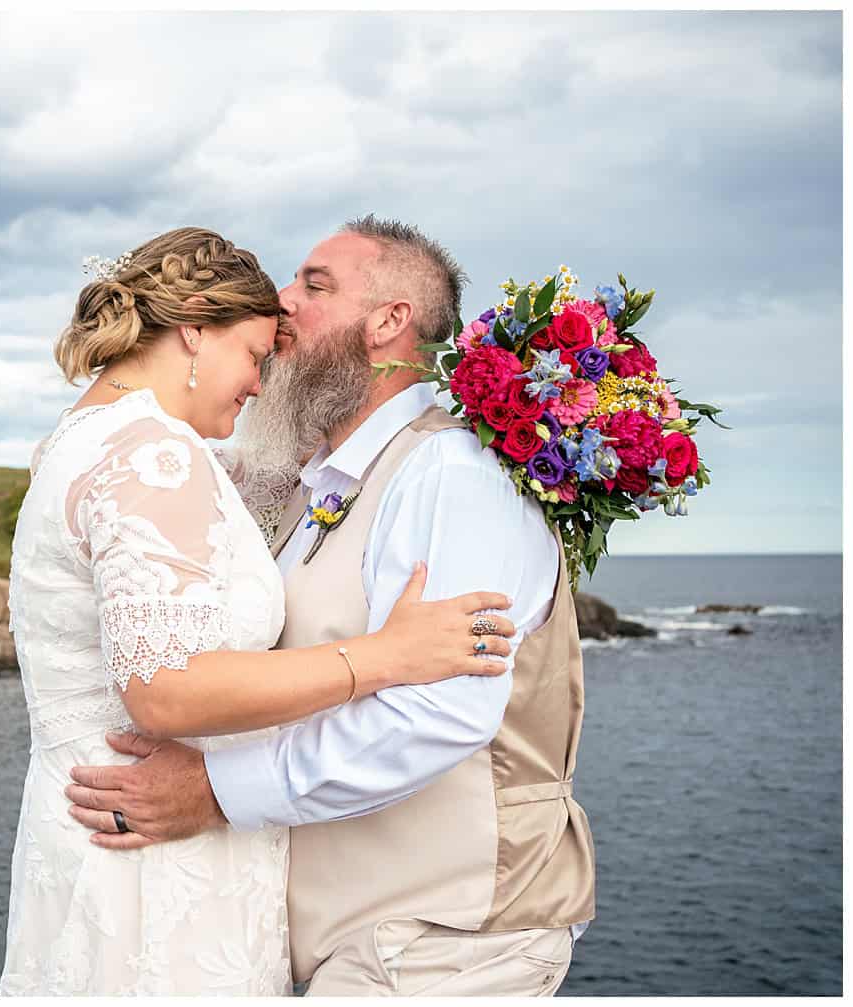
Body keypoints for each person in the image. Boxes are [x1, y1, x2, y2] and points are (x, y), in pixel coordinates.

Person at [66, 216, 596, 996]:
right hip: (338, 934)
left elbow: (441, 712)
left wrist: (213, 791)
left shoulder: (453, 472)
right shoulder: (312, 479)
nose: (282, 303)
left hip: (444, 935)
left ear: (389, 321)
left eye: (314, 285)